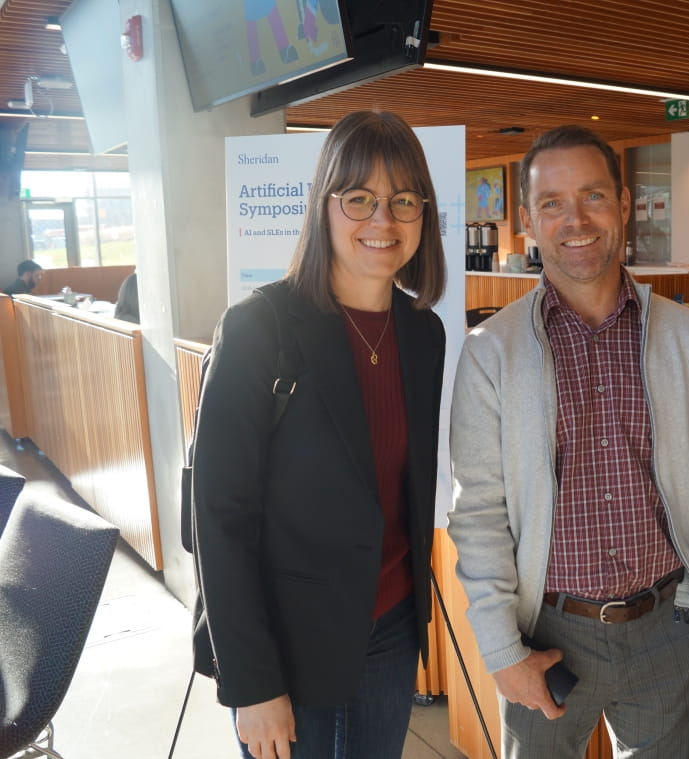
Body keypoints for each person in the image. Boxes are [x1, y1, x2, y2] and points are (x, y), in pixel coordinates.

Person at [447, 125, 689, 758]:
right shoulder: (492, 351)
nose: (574, 219)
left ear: (624, 204)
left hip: (669, 624)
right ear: (527, 220)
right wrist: (500, 650)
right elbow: (479, 514)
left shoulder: (688, 336)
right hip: (545, 634)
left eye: (593, 196)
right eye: (552, 202)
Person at [190, 110, 447, 759]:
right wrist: (252, 684)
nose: (382, 220)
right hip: (287, 648)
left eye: (402, 200)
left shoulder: (423, 333)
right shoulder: (261, 327)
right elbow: (219, 517)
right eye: (358, 198)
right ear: (322, 206)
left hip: (389, 631)